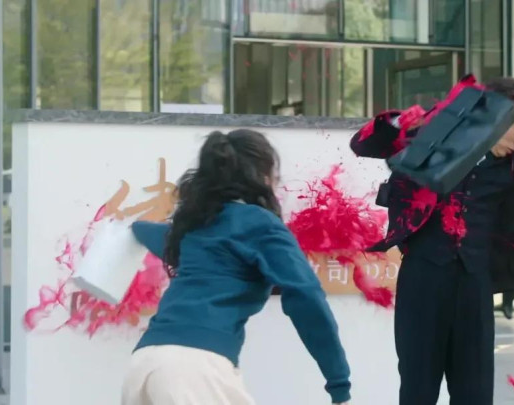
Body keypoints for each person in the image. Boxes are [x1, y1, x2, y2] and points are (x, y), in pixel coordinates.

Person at [349, 23, 514, 405]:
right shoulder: (427, 145)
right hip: (422, 282)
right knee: (417, 390)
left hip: (476, 286)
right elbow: (364, 144)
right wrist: (406, 121)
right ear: (489, 117)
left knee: (475, 393)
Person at [121, 129, 352, 405]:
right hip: (195, 368)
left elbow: (152, 234)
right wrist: (339, 383)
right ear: (262, 176)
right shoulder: (259, 225)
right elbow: (306, 295)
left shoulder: (193, 227)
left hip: (144, 364)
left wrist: (132, 228)